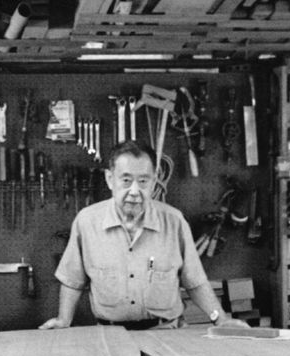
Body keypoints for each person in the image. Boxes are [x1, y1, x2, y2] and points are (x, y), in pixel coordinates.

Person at [40, 141, 247, 330]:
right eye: (126, 180)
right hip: (111, 335)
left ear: (154, 181)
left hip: (166, 332)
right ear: (110, 179)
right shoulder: (87, 222)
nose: (134, 190)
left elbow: (195, 282)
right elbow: (72, 280)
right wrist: (63, 320)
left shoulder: (174, 222)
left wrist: (221, 319)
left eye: (143, 181)